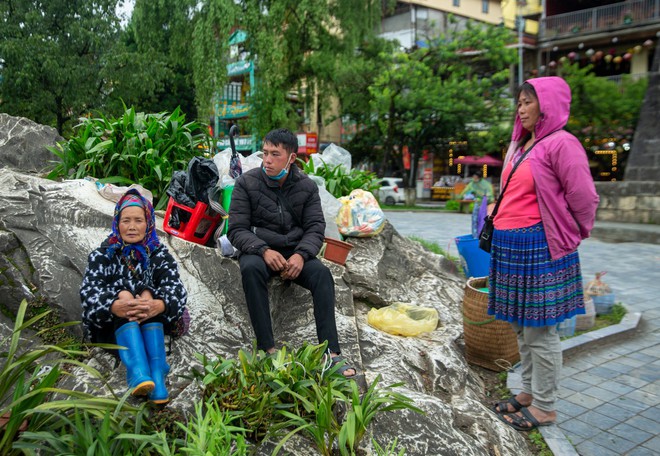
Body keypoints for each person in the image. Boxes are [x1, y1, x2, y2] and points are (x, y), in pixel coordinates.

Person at [488, 77, 599, 431]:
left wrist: (571, 233)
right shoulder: (521, 144)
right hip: (511, 245)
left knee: (540, 331)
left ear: (546, 105)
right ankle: (528, 394)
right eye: (518, 103)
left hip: (539, 246)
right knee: (521, 329)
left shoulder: (562, 144)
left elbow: (584, 197)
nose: (520, 109)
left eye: (527, 102)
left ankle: (546, 407)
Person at [227, 128, 356, 377]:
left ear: (291, 158)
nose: (267, 160)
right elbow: (236, 229)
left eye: (275, 154)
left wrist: (300, 255)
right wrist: (263, 250)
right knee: (251, 268)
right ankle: (268, 350)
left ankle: (332, 355)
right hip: (258, 247)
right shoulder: (246, 183)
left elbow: (315, 227)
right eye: (265, 153)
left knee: (322, 275)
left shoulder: (306, 187)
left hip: (294, 250)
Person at [80, 189, 188, 404]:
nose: (131, 226)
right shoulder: (103, 255)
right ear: (117, 223)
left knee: (146, 306)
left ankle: (157, 373)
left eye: (138, 220)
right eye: (125, 220)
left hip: (152, 321)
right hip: (113, 327)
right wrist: (115, 304)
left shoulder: (159, 255)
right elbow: (89, 294)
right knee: (127, 307)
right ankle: (137, 370)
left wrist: (157, 304)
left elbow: (176, 290)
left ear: (148, 223)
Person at [459, 170, 494, 237]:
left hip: (485, 205)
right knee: (475, 220)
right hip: (476, 204)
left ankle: (481, 235)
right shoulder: (472, 183)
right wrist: (461, 197)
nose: (474, 179)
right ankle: (475, 235)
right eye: (473, 177)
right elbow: (465, 191)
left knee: (482, 221)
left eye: (476, 178)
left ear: (479, 178)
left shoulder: (486, 185)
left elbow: (490, 197)